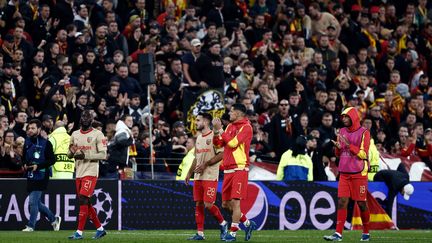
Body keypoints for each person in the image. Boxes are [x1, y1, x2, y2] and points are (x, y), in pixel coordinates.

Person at [324, 107, 371, 242]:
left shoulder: (364, 133)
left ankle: (366, 232)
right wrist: (337, 148)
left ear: (353, 117)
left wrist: (349, 145)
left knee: (361, 204)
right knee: (342, 201)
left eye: (346, 117)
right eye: (342, 117)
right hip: (344, 173)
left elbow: (363, 154)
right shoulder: (342, 131)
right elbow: (339, 154)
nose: (343, 119)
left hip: (359, 173)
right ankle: (338, 234)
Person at [213, 103, 256, 242]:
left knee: (235, 203)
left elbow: (232, 143)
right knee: (225, 205)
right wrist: (216, 131)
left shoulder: (247, 127)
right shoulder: (230, 126)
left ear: (238, 113)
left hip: (239, 168)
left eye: (231, 112)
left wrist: (221, 130)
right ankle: (248, 224)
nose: (229, 114)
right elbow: (219, 144)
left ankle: (232, 234)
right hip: (228, 169)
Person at [185, 112, 228, 240]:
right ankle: (200, 233)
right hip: (198, 177)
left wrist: (206, 164)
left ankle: (223, 223)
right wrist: (189, 173)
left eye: (198, 120)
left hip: (210, 176)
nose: (196, 122)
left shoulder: (215, 136)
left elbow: (222, 154)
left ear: (205, 122)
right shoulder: (198, 138)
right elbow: (196, 158)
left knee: (208, 204)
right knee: (198, 203)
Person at [68, 110, 108, 240]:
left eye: (88, 117)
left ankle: (79, 232)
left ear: (92, 120)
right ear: (80, 119)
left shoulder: (98, 134)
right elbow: (69, 153)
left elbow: (103, 155)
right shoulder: (74, 134)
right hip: (79, 171)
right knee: (86, 201)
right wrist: (71, 152)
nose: (85, 119)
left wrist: (86, 155)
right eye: (83, 116)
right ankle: (100, 229)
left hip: (91, 171)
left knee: (83, 198)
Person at [22, 119, 61, 232]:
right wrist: (24, 164)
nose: (30, 130)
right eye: (29, 128)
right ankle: (54, 219)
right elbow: (24, 157)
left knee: (32, 202)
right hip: (30, 175)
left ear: (39, 129)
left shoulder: (46, 143)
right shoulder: (27, 142)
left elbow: (52, 160)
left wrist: (38, 167)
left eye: (33, 128)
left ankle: (31, 226)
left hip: (42, 175)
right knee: (37, 203)